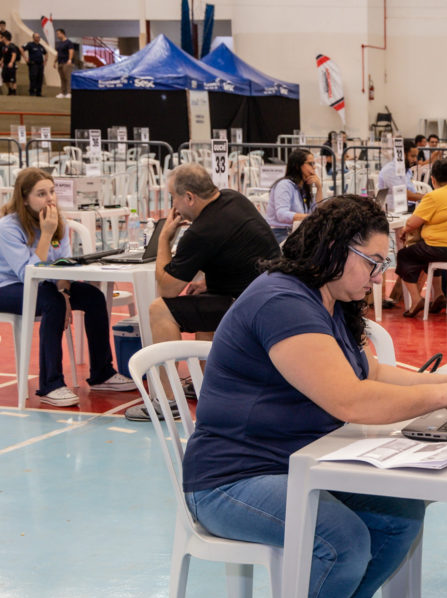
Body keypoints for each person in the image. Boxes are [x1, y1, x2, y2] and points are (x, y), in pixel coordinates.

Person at [181, 195, 447, 598]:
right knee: (342, 541)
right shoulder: (282, 301)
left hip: (297, 465)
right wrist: (440, 397)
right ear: (332, 249)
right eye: (372, 263)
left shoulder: (326, 299)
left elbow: (370, 371)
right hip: (229, 481)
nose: (378, 276)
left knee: (400, 515)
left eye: (383, 264)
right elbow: (351, 400)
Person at [126, 164, 281, 421]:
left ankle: (166, 401)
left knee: (160, 309)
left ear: (189, 197)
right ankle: (207, 384)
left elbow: (167, 288)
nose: (172, 204)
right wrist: (209, 282)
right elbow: (244, 251)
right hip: (269, 295)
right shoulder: (234, 198)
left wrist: (165, 238)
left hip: (249, 307)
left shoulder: (200, 232)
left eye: (173, 197)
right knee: (203, 301)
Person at [0, 168, 135, 407]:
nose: (50, 198)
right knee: (50, 301)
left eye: (51, 191)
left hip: (48, 286)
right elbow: (30, 273)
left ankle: (102, 372)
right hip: (9, 287)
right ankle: (51, 384)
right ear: (24, 199)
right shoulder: (8, 228)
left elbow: (63, 266)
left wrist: (64, 292)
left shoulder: (57, 223)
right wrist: (47, 233)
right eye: (41, 194)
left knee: (93, 296)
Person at [395, 158, 447, 317]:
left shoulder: (434, 196)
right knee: (426, 251)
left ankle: (416, 299)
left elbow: (412, 223)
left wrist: (404, 230)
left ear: (433, 179)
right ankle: (438, 294)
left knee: (404, 255)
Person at [265, 149, 323, 242]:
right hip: (281, 233)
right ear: (297, 166)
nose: (314, 167)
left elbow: (316, 211)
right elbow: (282, 215)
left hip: (297, 231)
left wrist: (319, 188)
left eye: (314, 163)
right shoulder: (284, 185)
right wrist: (310, 217)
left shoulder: (304, 186)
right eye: (310, 163)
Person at [377, 137, 423, 212]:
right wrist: (427, 197)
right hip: (394, 210)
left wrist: (427, 196)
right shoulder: (390, 170)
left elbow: (413, 193)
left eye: (416, 156)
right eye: (412, 156)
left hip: (410, 206)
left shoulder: (407, 170)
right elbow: (404, 194)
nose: (415, 160)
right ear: (403, 155)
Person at [23, 33, 47, 97]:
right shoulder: (30, 44)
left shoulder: (41, 46)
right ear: (33, 38)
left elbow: (46, 53)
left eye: (39, 37)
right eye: (36, 37)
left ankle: (38, 92)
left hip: (40, 65)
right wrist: (25, 58)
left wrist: (45, 61)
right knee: (33, 78)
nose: (38, 38)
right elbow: (21, 48)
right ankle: (32, 92)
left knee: (40, 78)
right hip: (33, 64)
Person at [53, 28, 74, 98]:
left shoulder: (69, 43)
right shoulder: (59, 44)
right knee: (62, 78)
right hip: (60, 63)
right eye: (57, 34)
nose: (57, 35)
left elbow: (71, 51)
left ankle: (69, 92)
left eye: (58, 34)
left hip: (66, 63)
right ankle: (62, 92)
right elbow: (58, 53)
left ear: (62, 33)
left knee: (68, 78)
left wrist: (70, 59)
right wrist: (54, 61)